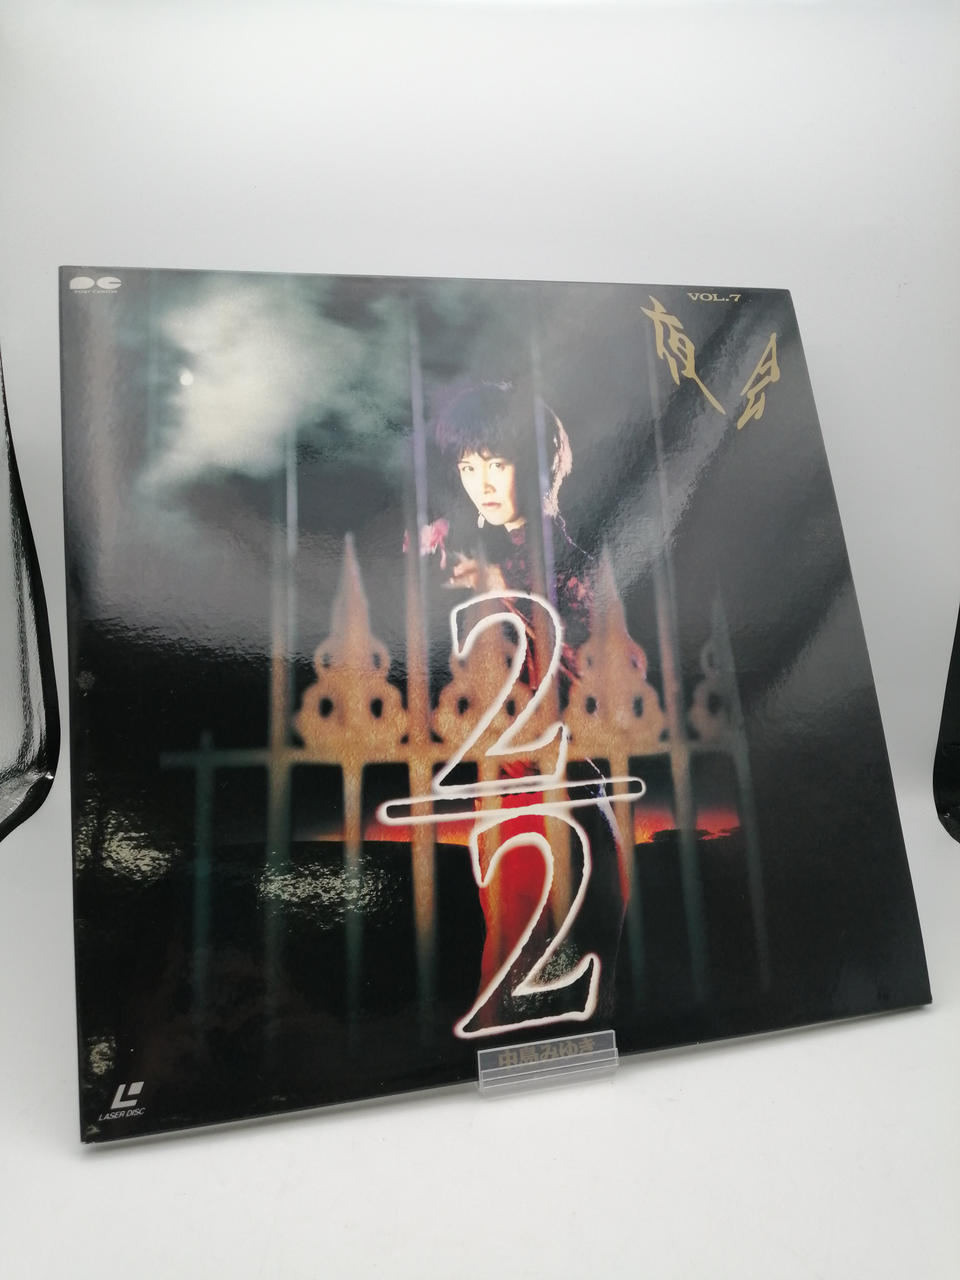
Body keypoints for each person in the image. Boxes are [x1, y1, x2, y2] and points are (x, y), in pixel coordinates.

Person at [421, 381, 628, 1032]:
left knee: (525, 1008)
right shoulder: (486, 562)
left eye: (497, 462)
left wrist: (496, 590)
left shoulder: (570, 570)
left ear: (539, 466)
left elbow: (589, 693)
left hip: (554, 807)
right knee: (536, 1002)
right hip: (520, 805)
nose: (480, 483)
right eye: (468, 467)